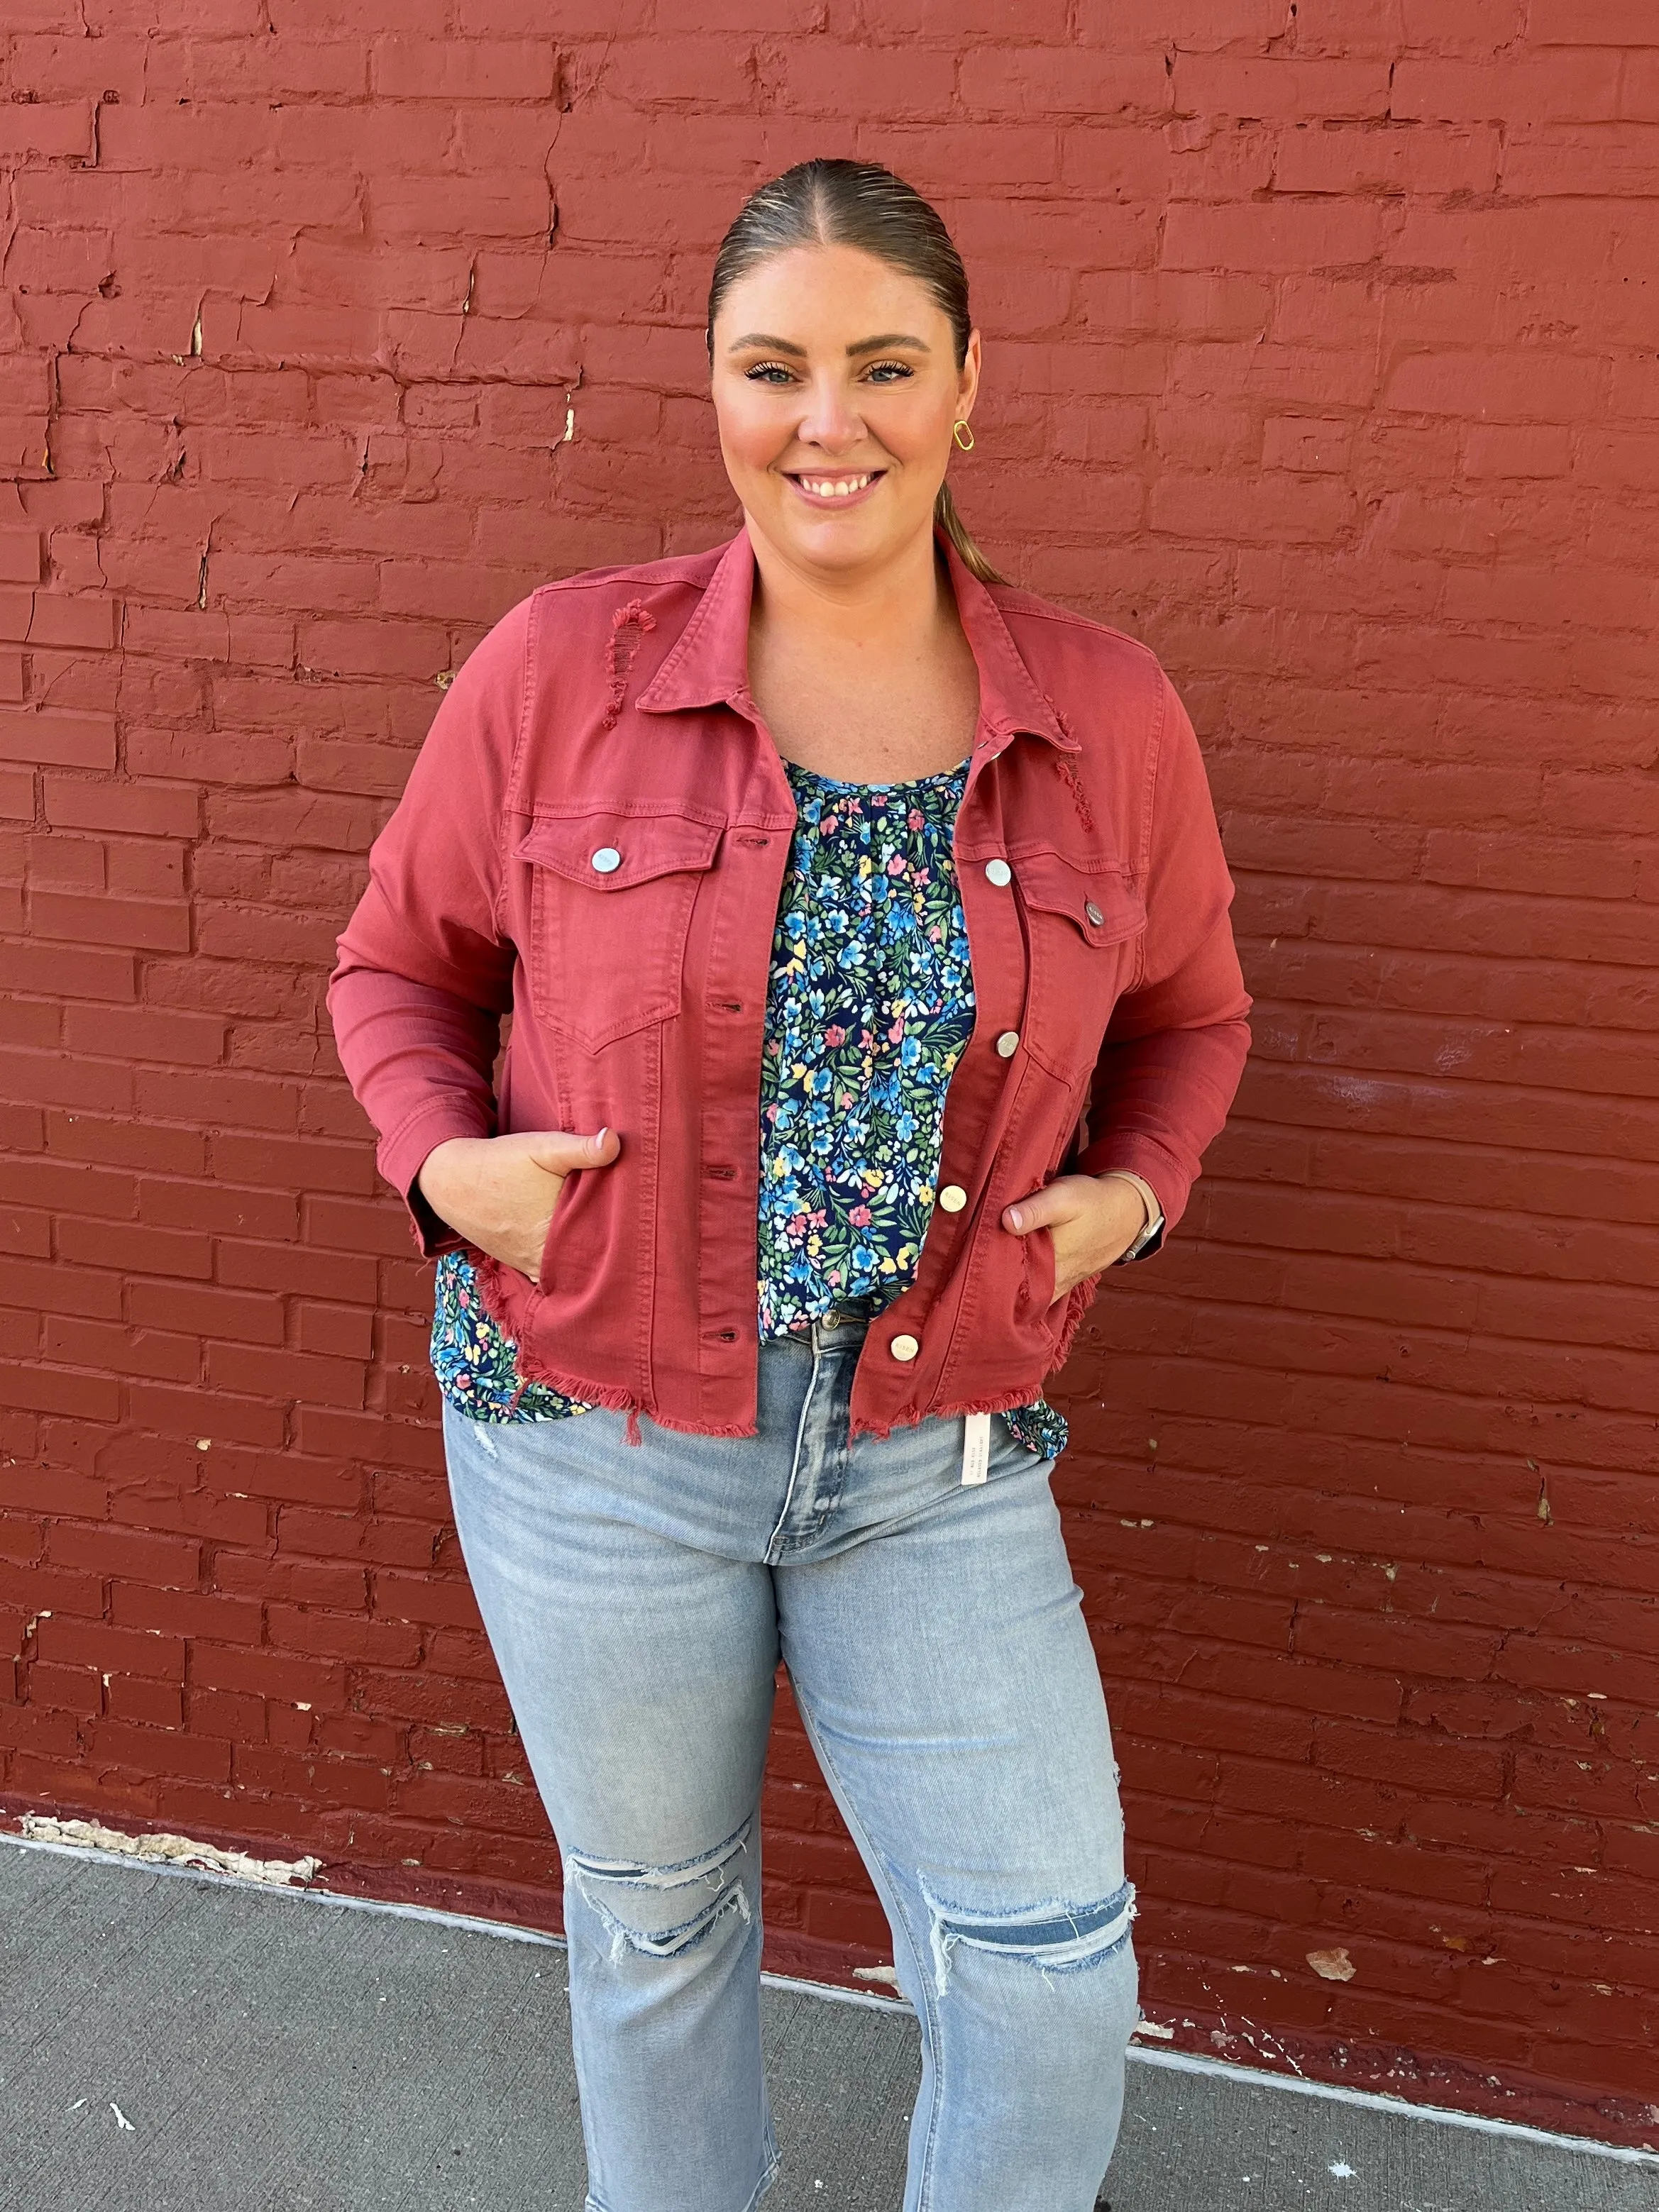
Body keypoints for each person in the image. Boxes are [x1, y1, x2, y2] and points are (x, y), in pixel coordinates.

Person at [329, 157, 1250, 2212]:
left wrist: (1143, 1189)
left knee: (1044, 1967)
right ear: (715, 390)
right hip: (591, 1432)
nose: (827, 421)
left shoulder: (1107, 716)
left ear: (967, 386)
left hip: (937, 1451)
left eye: (882, 364)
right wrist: (440, 1161)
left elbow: (1194, 1013)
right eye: (775, 368)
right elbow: (397, 967)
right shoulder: (566, 671)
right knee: (658, 1932)